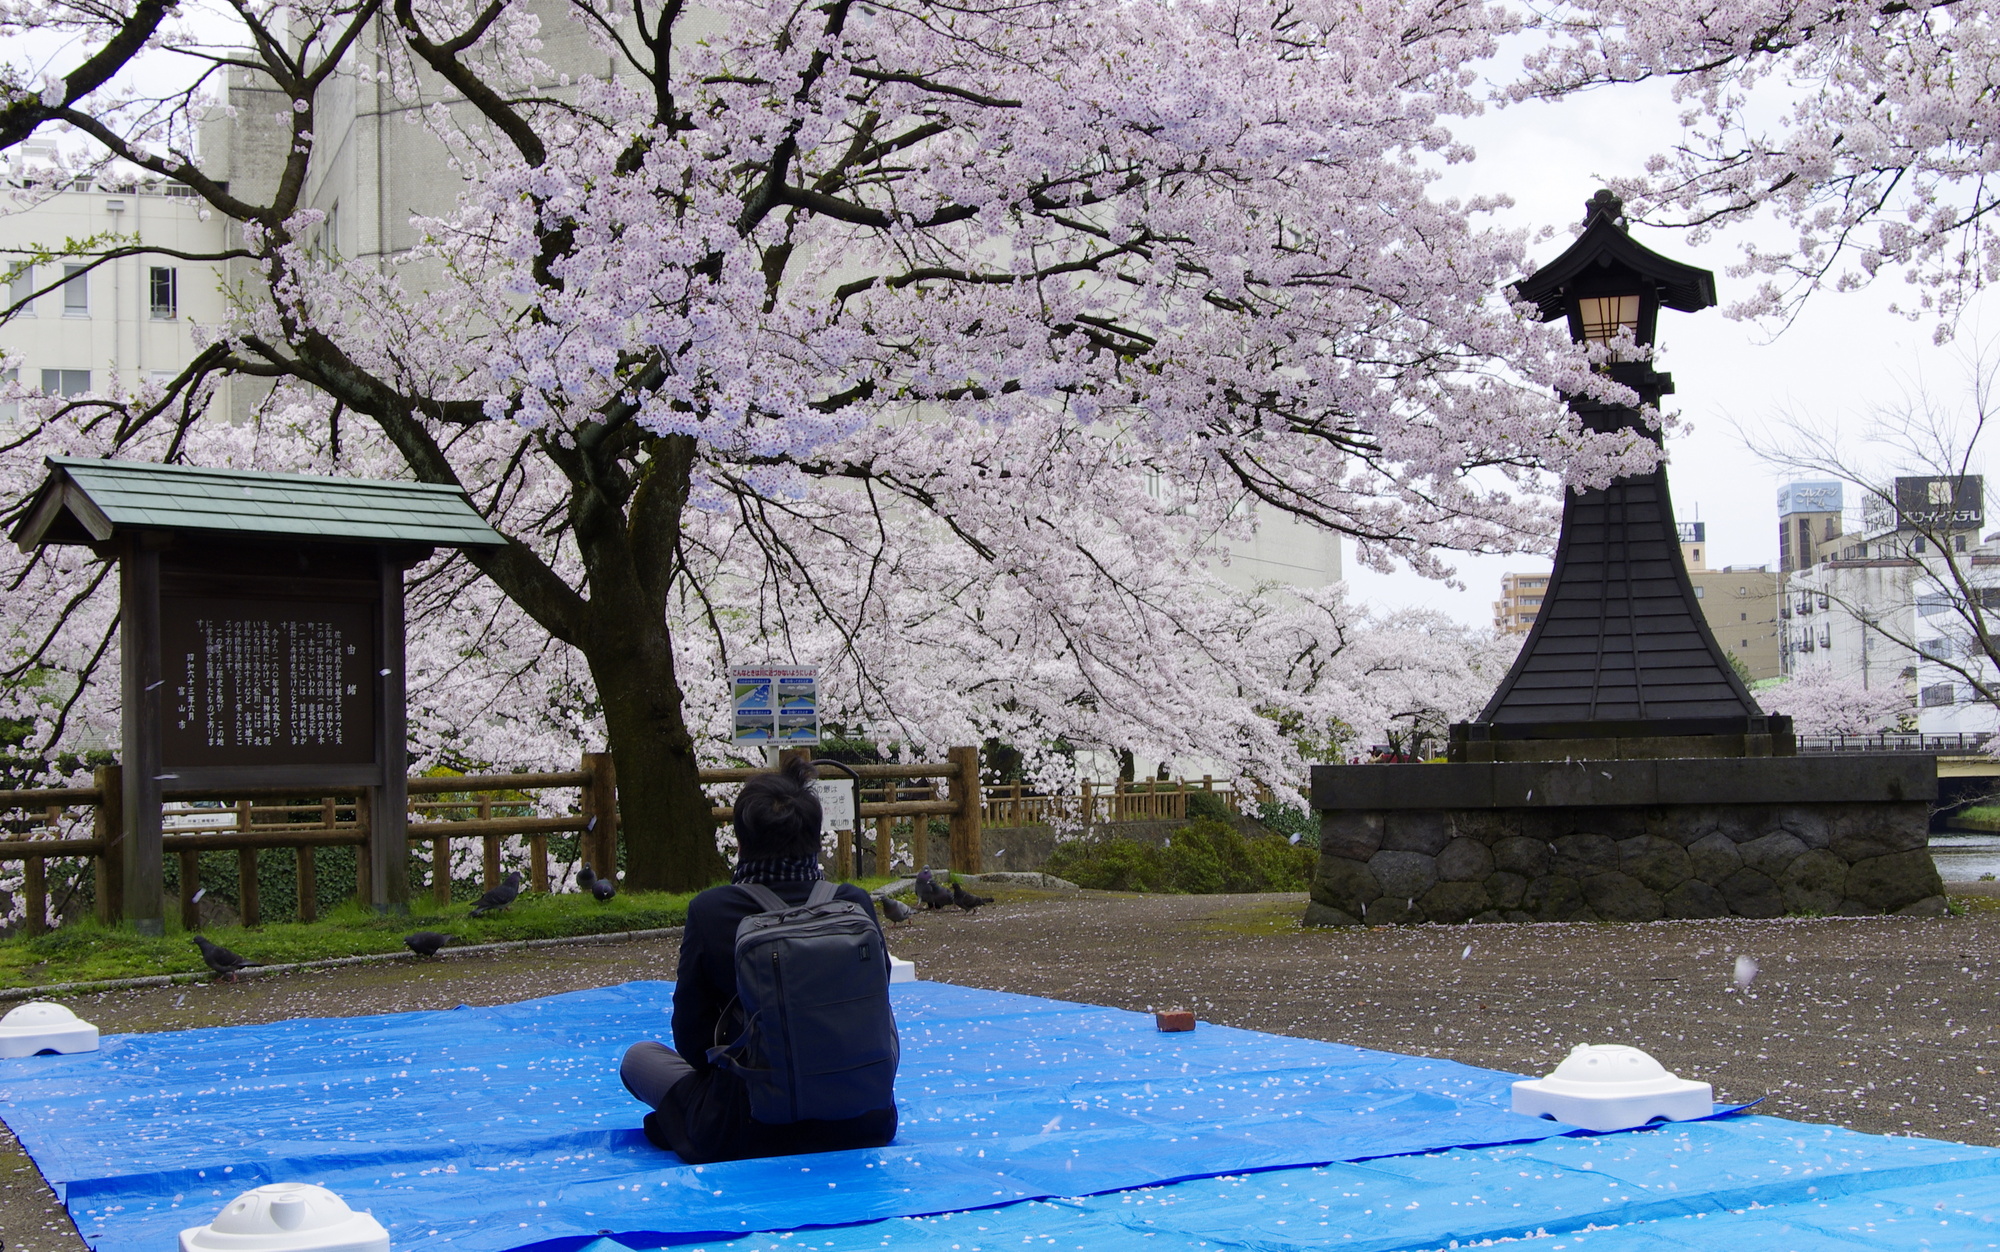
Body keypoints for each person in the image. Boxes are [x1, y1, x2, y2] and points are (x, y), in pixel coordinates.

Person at [619, 756, 899, 1162]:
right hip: (864, 1121)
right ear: (814, 837)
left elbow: (692, 1040)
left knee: (639, 1058)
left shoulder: (712, 910)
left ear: (742, 839)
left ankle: (688, 1119)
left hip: (746, 1127)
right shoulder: (851, 903)